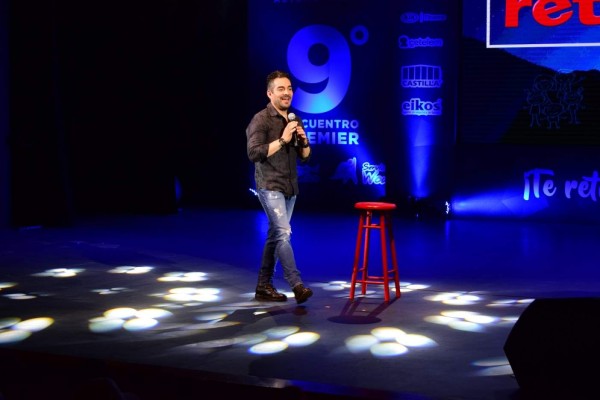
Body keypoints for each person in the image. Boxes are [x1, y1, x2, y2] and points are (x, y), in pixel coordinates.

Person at [246, 70, 313, 304]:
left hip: (290, 186)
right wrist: (283, 139)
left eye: (290, 88)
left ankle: (263, 286)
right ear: (270, 93)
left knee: (275, 235)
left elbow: (305, 156)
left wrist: (303, 141)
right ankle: (297, 284)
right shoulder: (261, 119)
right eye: (281, 89)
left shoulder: (295, 120)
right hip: (269, 184)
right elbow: (254, 153)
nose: (287, 93)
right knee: (283, 233)